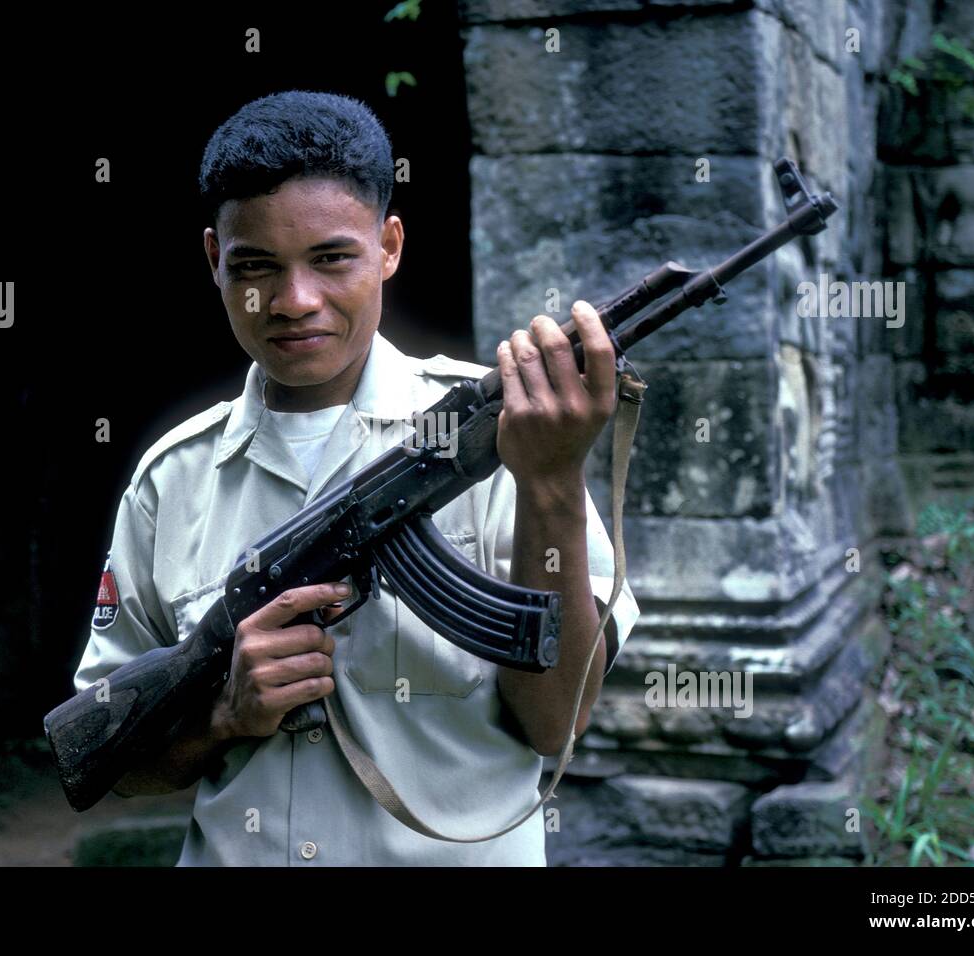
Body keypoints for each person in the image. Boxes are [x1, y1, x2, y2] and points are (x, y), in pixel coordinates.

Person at [73, 90, 639, 865]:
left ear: (390, 246)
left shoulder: (515, 436)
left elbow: (554, 724)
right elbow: (108, 761)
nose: (293, 302)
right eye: (256, 267)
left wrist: (551, 481)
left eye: (333, 258)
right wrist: (225, 716)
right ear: (214, 260)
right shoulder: (171, 482)